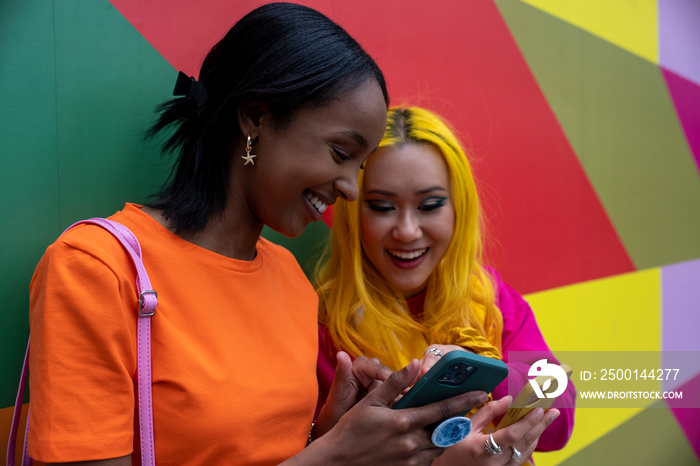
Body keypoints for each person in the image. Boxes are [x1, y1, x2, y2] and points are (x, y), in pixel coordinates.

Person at [26, 5, 490, 465]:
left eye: (360, 166)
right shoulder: (97, 267)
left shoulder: (290, 278)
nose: (350, 187)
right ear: (255, 117)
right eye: (339, 152)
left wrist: (333, 430)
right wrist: (333, 458)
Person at [315, 106, 576, 464]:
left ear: (458, 210)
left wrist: (475, 369)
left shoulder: (495, 300)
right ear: (353, 212)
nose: (407, 231)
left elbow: (560, 417)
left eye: (430, 205)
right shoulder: (322, 327)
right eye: (381, 206)